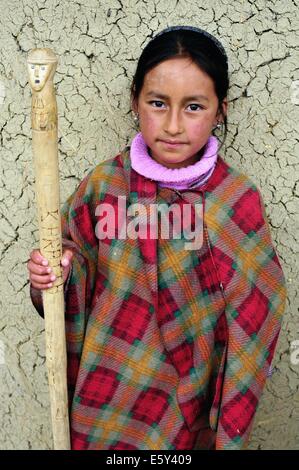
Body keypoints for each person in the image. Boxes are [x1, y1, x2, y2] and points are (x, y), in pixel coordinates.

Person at [27, 26, 287, 450]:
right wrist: (52, 274)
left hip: (188, 405)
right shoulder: (104, 187)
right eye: (158, 103)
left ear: (220, 109)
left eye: (194, 107)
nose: (172, 125)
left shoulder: (234, 201)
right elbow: (69, 269)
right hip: (109, 393)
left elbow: (258, 308)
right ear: (135, 101)